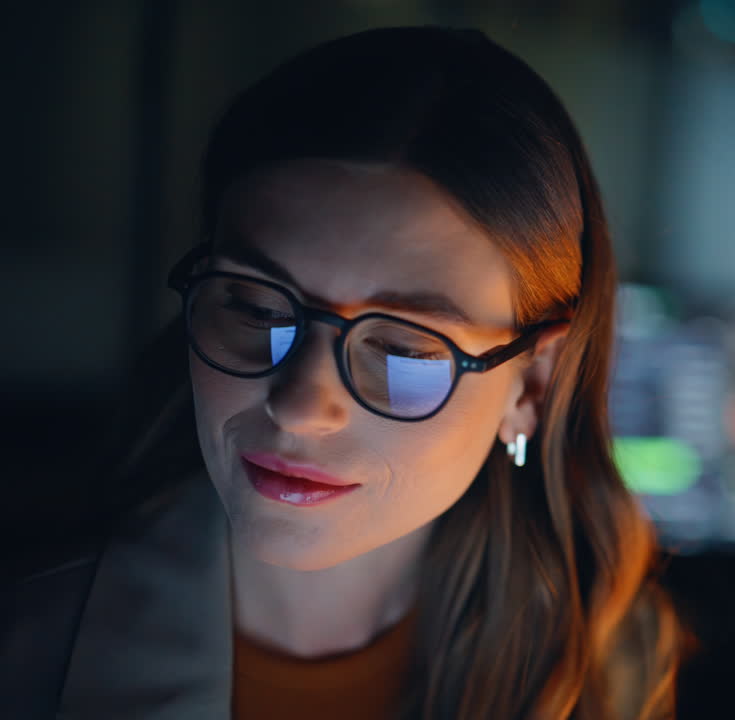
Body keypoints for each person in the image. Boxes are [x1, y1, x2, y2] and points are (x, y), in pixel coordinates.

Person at [4, 25, 681, 719]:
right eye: (256, 307)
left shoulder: (604, 669)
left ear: (533, 384)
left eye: (404, 351)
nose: (301, 405)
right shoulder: (26, 644)